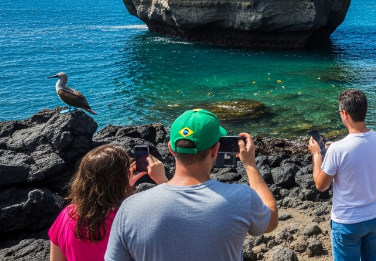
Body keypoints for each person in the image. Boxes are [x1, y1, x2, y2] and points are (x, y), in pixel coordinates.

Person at [105, 109, 278, 261]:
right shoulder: (242, 198)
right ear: (216, 150)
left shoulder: (129, 209)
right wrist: (250, 165)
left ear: (171, 149)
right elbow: (271, 221)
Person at [309, 89, 376, 261]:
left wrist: (317, 155)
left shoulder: (338, 149)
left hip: (347, 222)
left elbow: (320, 185)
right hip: (374, 216)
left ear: (345, 114)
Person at [49, 144, 167, 261]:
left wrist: (125, 187)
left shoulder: (66, 215)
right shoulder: (130, 219)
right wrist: (162, 180)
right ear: (120, 179)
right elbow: (176, 216)